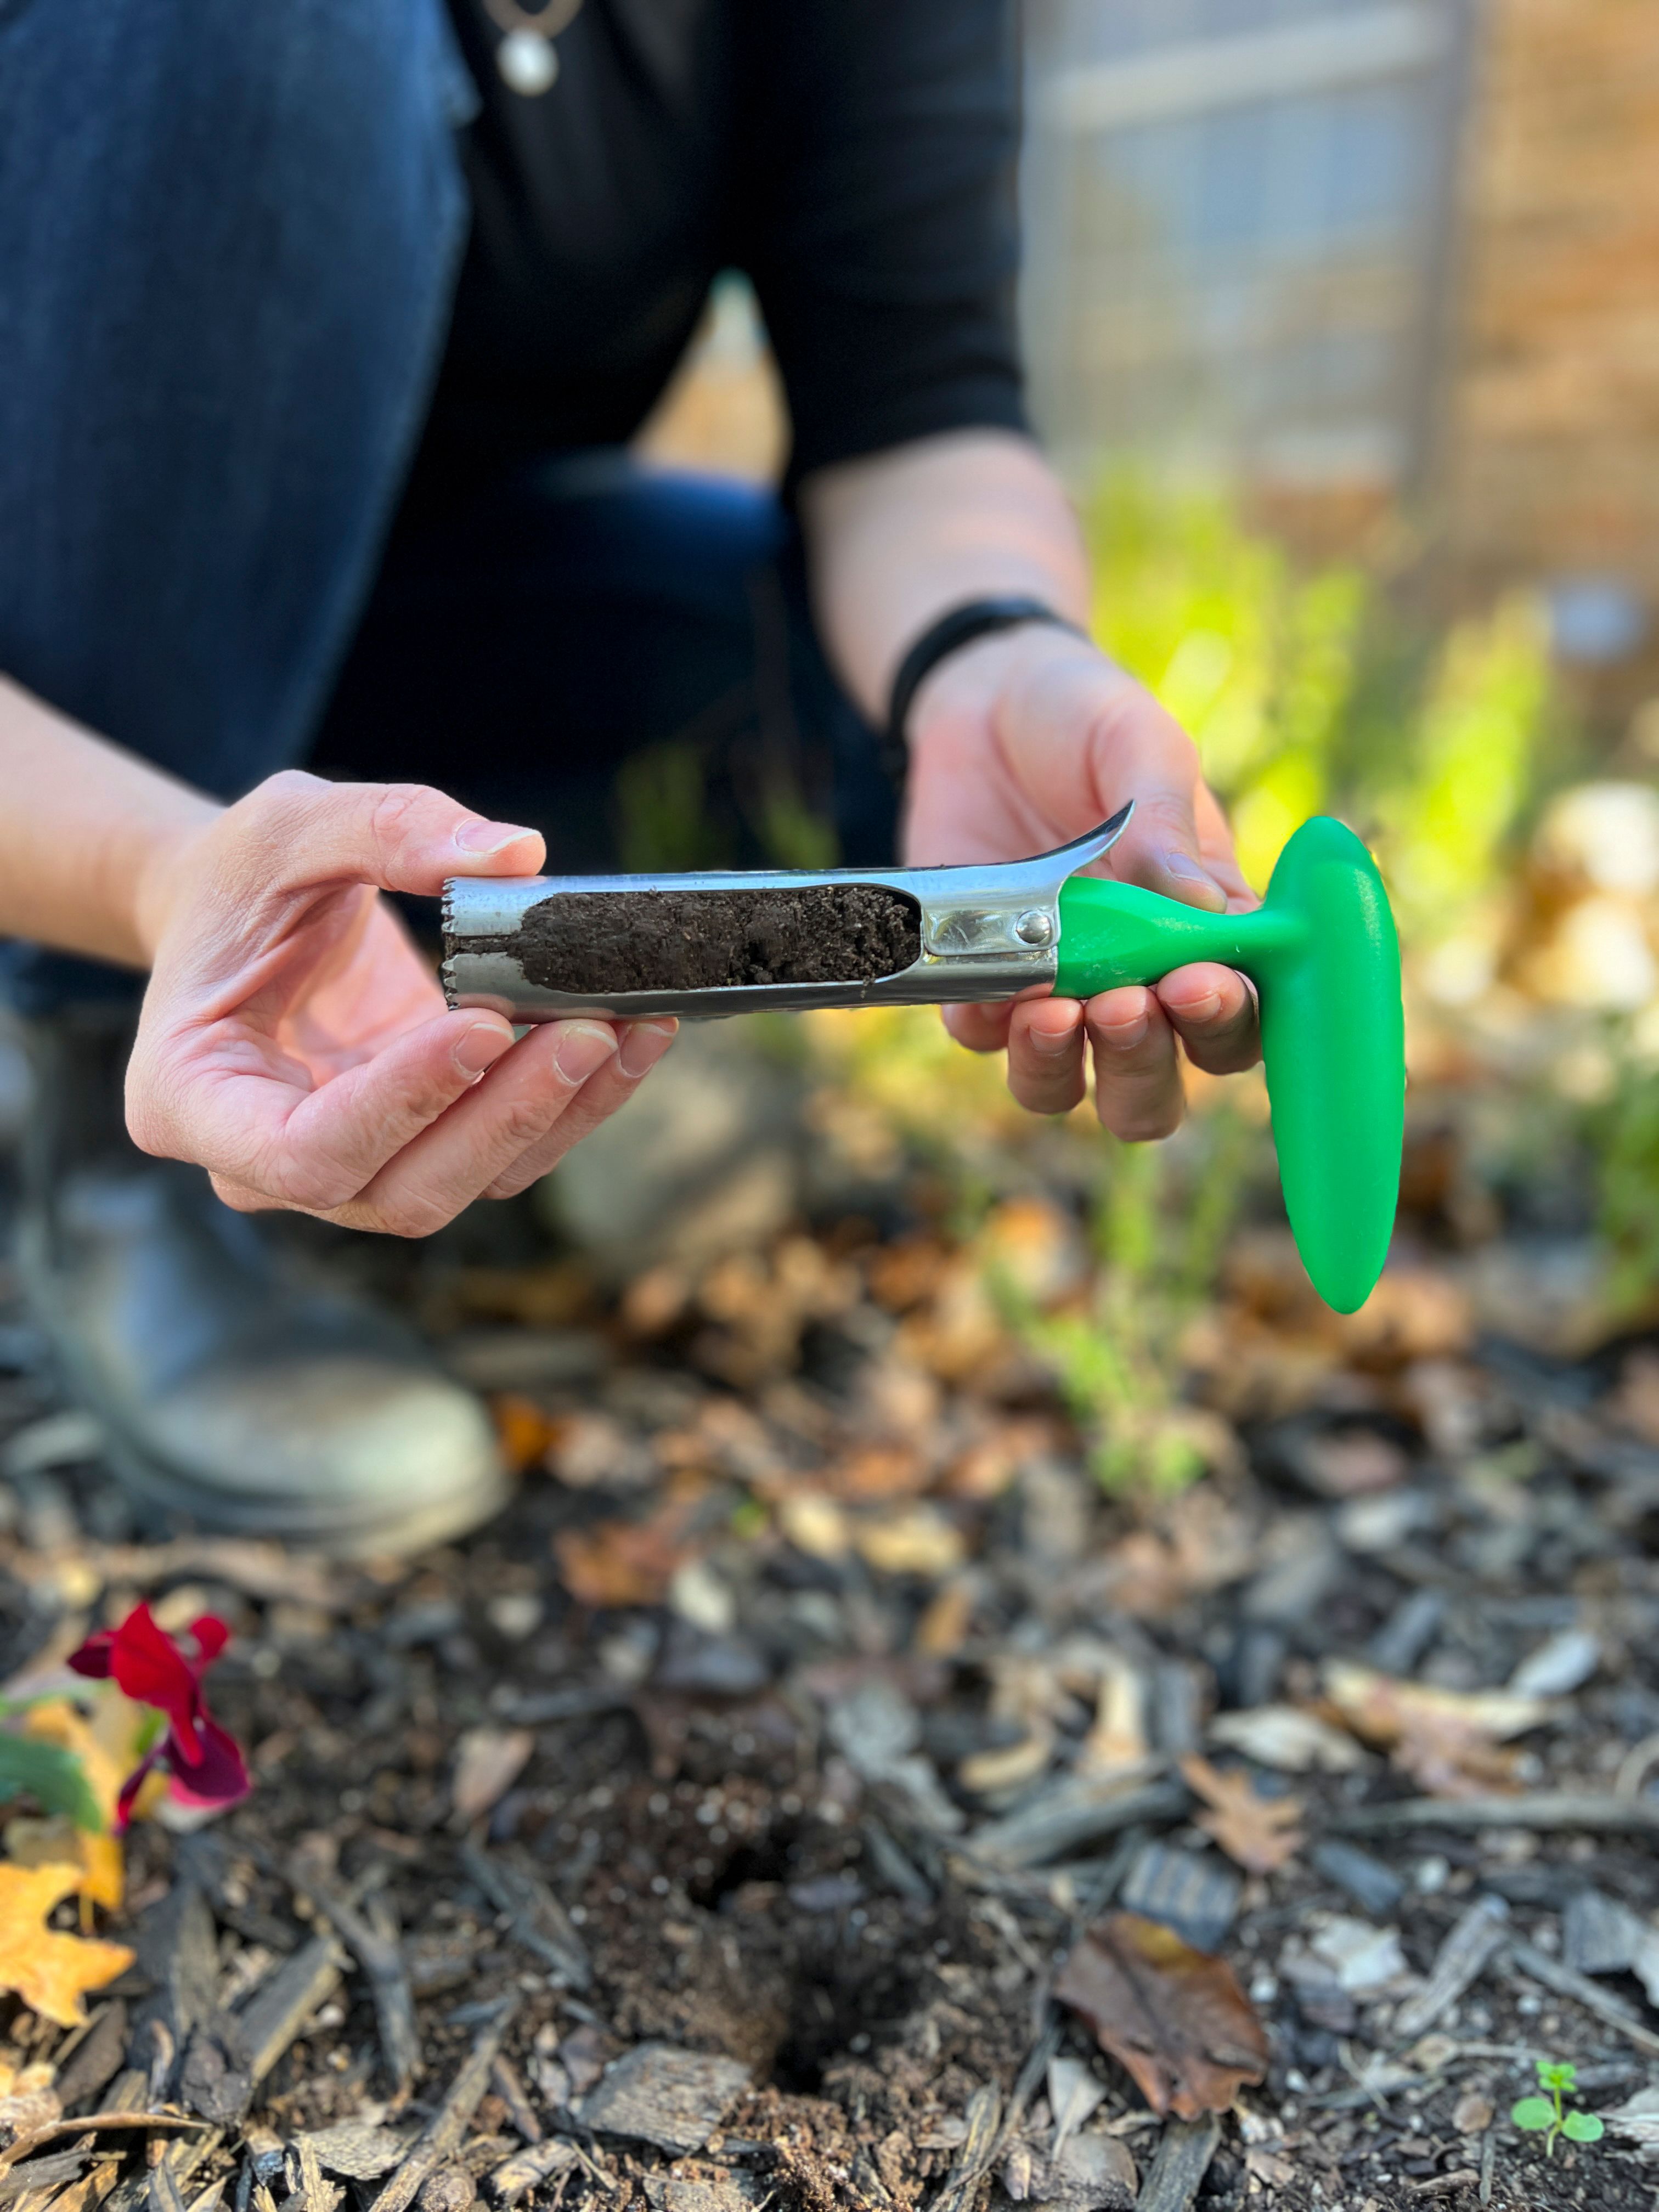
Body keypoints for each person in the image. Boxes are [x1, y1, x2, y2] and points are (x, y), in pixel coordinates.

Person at [0, 0, 1261, 1553]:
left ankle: (437, 988)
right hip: (71, 653)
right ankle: (102, 1100)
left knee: (841, 709)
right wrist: (154, 874)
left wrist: (986, 661)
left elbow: (917, 407)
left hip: (458, 613)